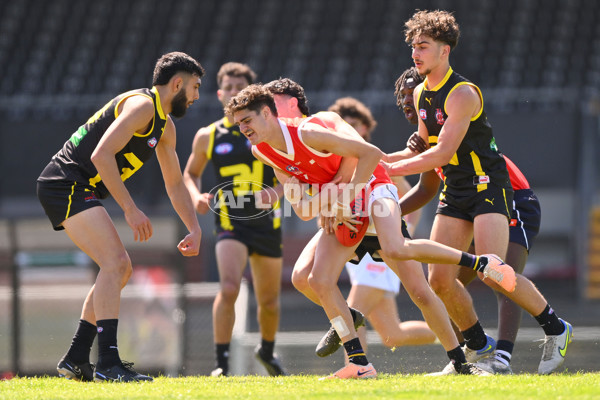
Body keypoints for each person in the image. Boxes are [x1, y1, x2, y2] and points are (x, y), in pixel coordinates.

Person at [226, 83, 516, 379]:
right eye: (239, 124)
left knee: (414, 281)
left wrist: (341, 200)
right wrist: (333, 206)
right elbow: (301, 208)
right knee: (315, 279)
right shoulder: (262, 151)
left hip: (373, 189)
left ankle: (476, 281)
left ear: (268, 112)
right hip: (344, 209)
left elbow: (370, 154)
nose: (243, 128)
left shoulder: (309, 131)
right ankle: (360, 362)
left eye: (247, 120)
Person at [384, 10, 572, 375]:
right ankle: (480, 349)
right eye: (413, 48)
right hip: (455, 190)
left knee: (492, 271)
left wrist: (389, 170)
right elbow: (419, 148)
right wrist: (373, 160)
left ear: (445, 50)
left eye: (423, 46)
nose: (416, 54)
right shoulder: (421, 92)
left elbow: (439, 153)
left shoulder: (463, 93)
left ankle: (556, 328)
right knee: (439, 279)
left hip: (487, 185)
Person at [37, 52, 205, 382]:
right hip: (65, 183)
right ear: (177, 84)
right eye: (196, 87)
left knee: (118, 268)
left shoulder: (164, 125)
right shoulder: (142, 106)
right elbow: (101, 155)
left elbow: (173, 183)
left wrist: (195, 228)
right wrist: (130, 208)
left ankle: (75, 357)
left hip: (76, 186)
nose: (197, 96)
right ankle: (108, 365)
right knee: (116, 263)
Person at [395, 66, 542, 374]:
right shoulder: (428, 137)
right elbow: (427, 188)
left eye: (414, 91)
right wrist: (392, 213)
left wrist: (387, 175)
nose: (409, 99)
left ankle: (503, 357)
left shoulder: (452, 120)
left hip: (511, 200)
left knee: (501, 276)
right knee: (446, 284)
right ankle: (470, 356)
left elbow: (437, 169)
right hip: (467, 206)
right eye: (403, 96)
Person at [183, 62, 286, 377]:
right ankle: (221, 364)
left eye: (240, 88)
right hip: (230, 221)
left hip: (268, 223)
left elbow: (291, 173)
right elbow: (190, 174)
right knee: (229, 288)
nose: (233, 93)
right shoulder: (208, 135)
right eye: (228, 88)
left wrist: (277, 192)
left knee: (268, 300)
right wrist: (196, 196)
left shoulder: (270, 130)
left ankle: (267, 351)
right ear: (219, 93)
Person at [326, 97, 436, 359]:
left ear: (365, 128)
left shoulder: (373, 158)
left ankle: (357, 369)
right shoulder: (334, 163)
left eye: (353, 124)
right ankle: (455, 331)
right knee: (392, 335)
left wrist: (398, 229)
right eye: (341, 124)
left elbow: (410, 196)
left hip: (379, 250)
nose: (347, 129)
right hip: (357, 251)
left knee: (349, 312)